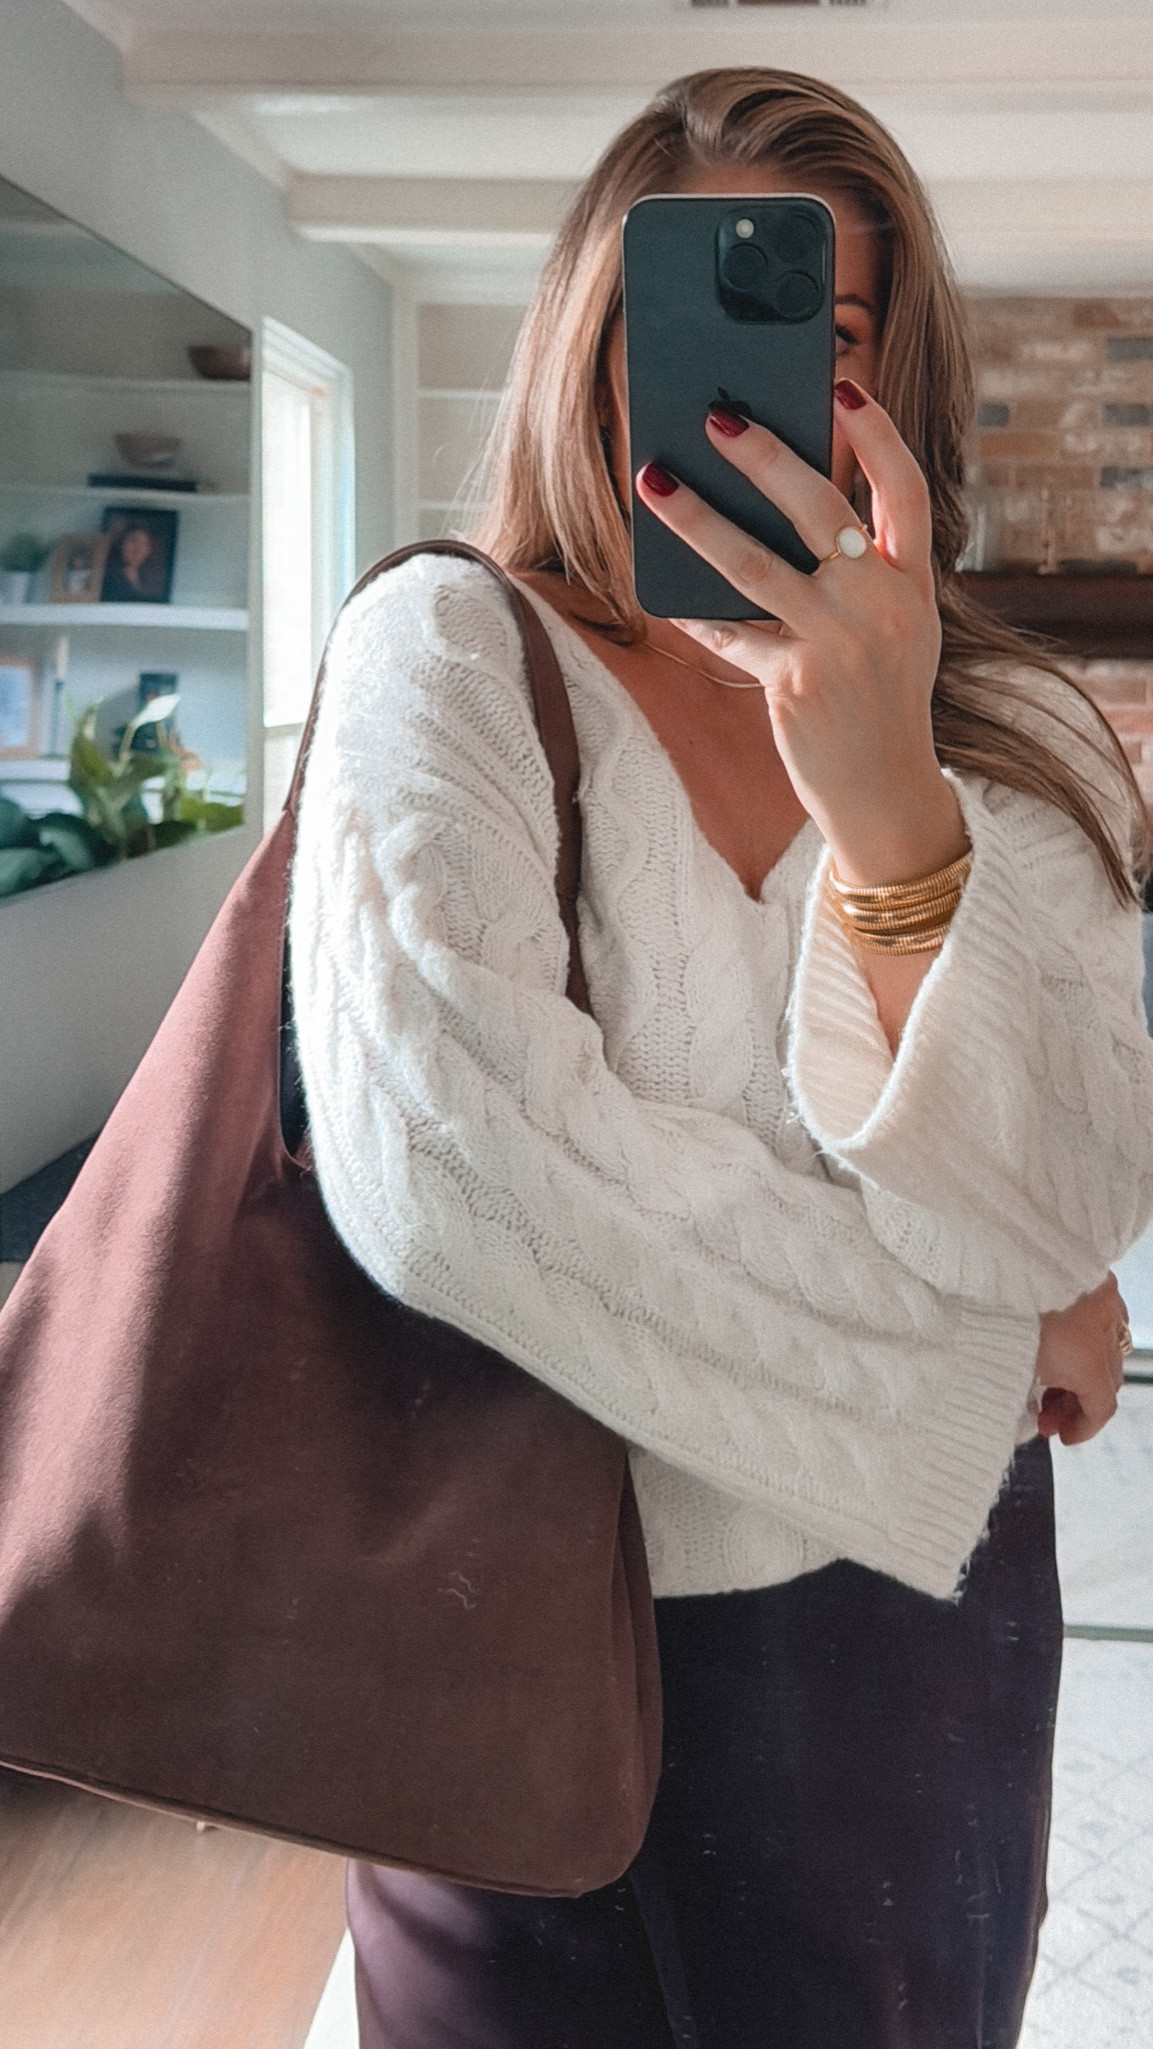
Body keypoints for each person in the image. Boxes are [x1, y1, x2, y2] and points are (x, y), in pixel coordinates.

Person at [289, 68, 1153, 2049]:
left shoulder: (1011, 728)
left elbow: (1067, 1195)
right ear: (583, 358)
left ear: (891, 381)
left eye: (820, 340)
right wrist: (979, 1336)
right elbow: (463, 1184)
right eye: (661, 328)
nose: (731, 390)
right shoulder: (450, 655)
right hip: (506, 1627)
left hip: (916, 1640)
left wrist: (892, 817)